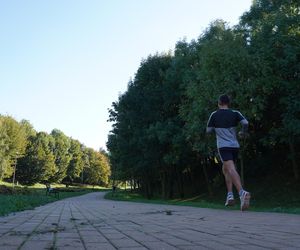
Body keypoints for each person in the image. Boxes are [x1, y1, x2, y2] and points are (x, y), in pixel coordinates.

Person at [206, 94, 251, 211]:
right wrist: (242, 132)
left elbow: (208, 131)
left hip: (223, 146)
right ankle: (230, 195)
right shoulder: (235, 113)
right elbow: (245, 123)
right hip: (235, 146)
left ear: (219, 102)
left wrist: (216, 128)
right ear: (228, 102)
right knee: (226, 169)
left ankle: (241, 192)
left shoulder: (214, 115)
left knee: (230, 169)